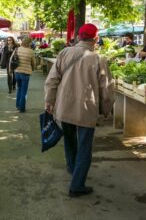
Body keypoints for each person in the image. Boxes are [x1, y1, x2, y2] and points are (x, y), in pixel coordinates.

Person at [44, 23, 114, 197]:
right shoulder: (99, 59)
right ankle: (77, 185)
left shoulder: (64, 53)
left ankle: (72, 168)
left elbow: (52, 80)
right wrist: (106, 110)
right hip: (86, 109)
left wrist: (49, 101)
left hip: (64, 106)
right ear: (95, 39)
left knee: (69, 140)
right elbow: (106, 89)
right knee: (84, 147)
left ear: (78, 37)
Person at [11, 36, 35, 113]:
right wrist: (33, 69)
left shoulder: (17, 49)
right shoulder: (31, 51)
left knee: (19, 88)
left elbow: (12, 59)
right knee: (24, 90)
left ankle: (18, 105)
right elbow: (33, 63)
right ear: (29, 43)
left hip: (17, 72)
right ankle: (22, 108)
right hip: (26, 72)